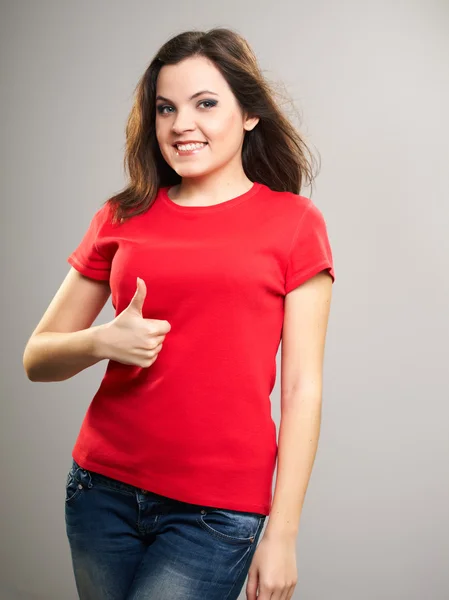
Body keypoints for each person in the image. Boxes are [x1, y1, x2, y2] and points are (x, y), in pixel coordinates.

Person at [23, 27, 335, 600]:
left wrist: (283, 534)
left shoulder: (295, 224)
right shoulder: (122, 215)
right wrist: (101, 342)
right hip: (100, 491)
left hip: (214, 513)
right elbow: (36, 358)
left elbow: (301, 389)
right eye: (165, 108)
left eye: (205, 104)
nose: (180, 124)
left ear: (249, 115)